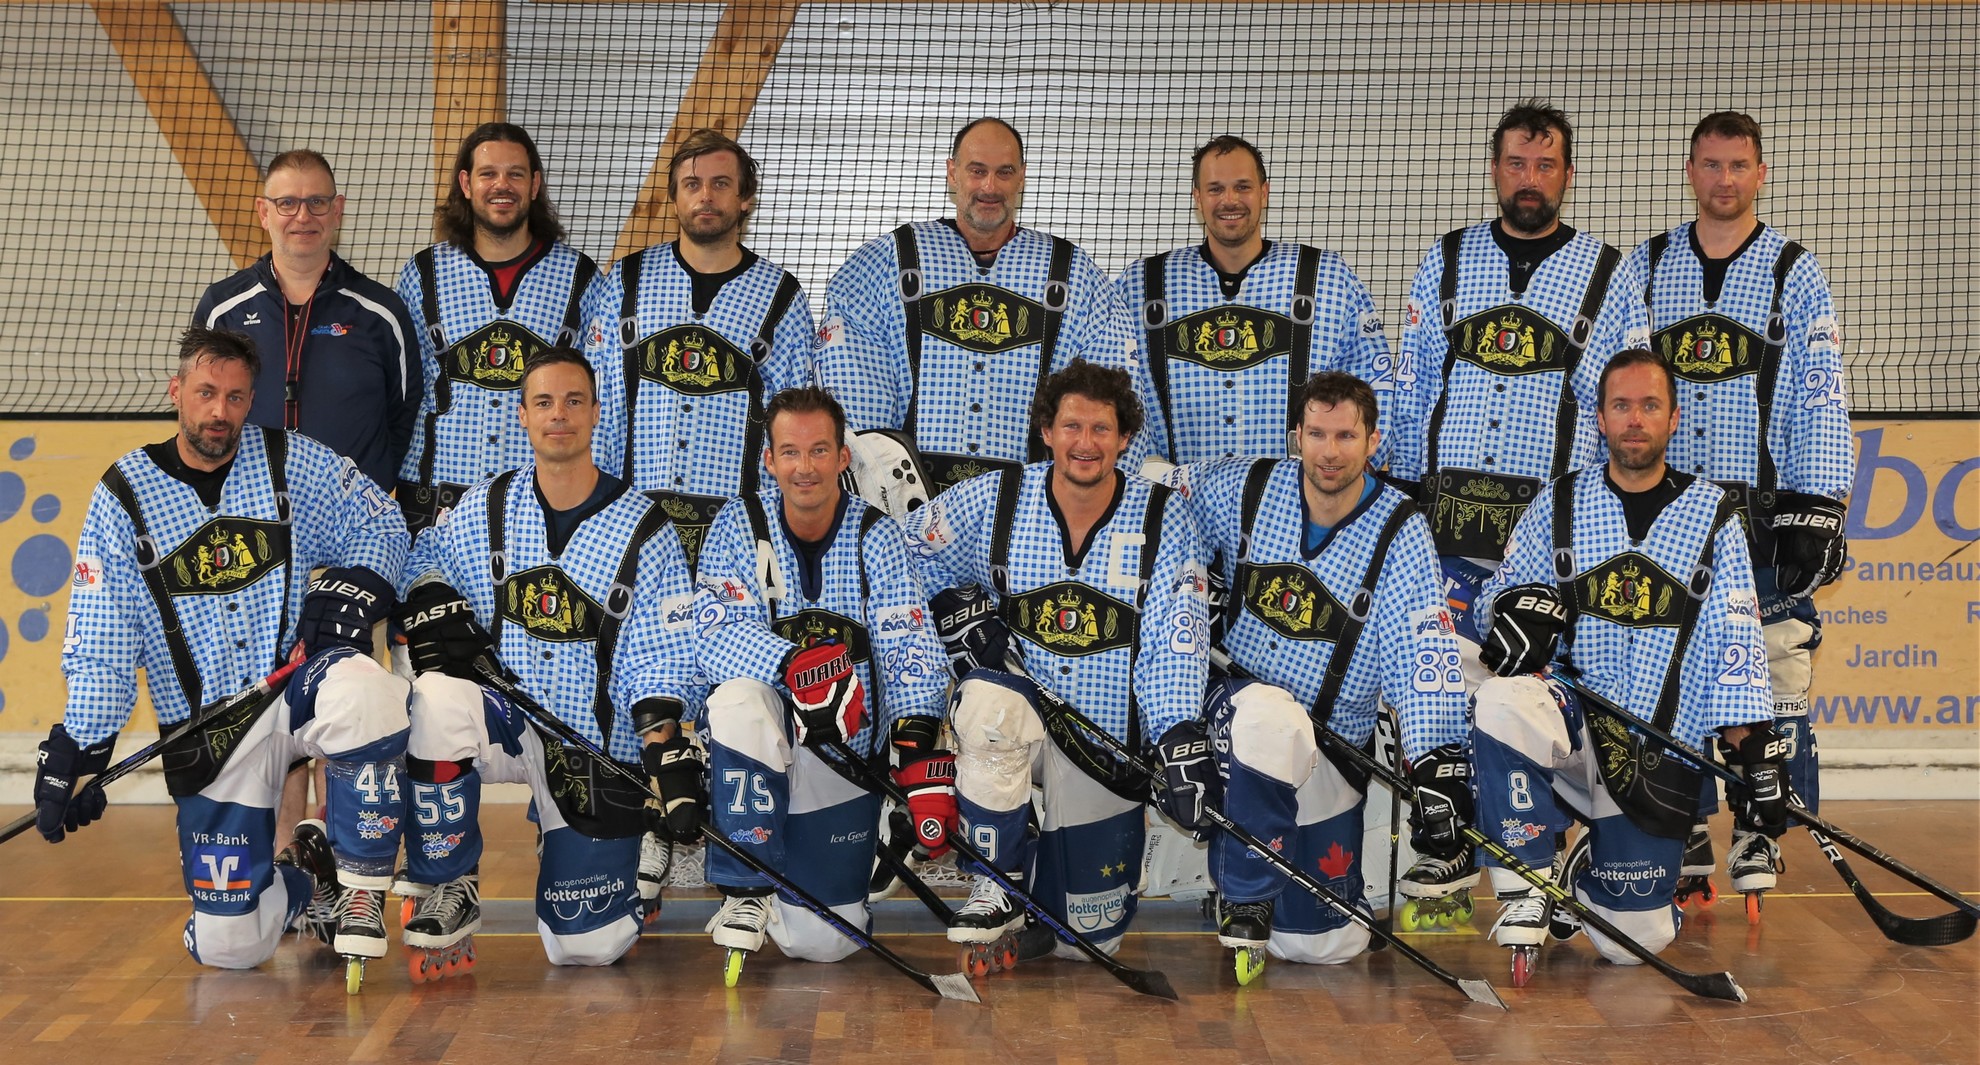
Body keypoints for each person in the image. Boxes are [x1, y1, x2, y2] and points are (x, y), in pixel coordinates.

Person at [36, 326, 410, 976]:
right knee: (231, 947)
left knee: (370, 691)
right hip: (209, 734)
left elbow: (380, 519)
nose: (220, 411)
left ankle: (360, 882)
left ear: (250, 400)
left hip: (295, 689)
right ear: (176, 391)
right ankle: (308, 876)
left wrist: (352, 589)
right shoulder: (124, 495)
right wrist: (82, 751)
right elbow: (103, 631)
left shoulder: (291, 462)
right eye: (206, 392)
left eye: (236, 397)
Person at [1384, 101, 1647, 905]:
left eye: (1545, 165)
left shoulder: (1608, 273)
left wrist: (1601, 524)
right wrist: (1396, 502)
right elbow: (1411, 388)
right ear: (1494, 168)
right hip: (1444, 531)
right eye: (1515, 163)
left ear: (1568, 174)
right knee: (1436, 683)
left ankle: (1555, 839)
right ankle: (1451, 836)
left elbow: (1619, 405)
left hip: (1543, 540)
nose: (1529, 179)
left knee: (1533, 693)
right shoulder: (1446, 260)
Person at [1466, 348, 1778, 975]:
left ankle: (1588, 872)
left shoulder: (1714, 514)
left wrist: (1754, 753)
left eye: (1650, 405)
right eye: (1622, 406)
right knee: (1499, 696)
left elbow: (1736, 638)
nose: (1635, 419)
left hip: (1655, 751)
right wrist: (1510, 611)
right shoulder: (1558, 503)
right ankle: (1527, 882)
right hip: (1571, 728)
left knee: (1631, 944)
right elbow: (1490, 600)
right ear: (1601, 419)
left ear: (1673, 418)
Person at [391, 347, 704, 971]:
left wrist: (663, 748)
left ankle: (597, 836)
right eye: (543, 402)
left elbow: (661, 656)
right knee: (434, 697)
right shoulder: (484, 506)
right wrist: (429, 594)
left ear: (596, 412)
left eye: (572, 401)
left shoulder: (646, 527)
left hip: (593, 744)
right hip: (504, 722)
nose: (558, 414)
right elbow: (423, 554)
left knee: (585, 949)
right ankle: (450, 880)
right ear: (523, 415)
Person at [1160, 372, 1468, 979]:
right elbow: (1149, 489)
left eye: (1346, 436)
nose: (1330, 452)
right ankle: (1243, 893)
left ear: (1373, 441)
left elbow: (1420, 651)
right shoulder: (1246, 485)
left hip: (1333, 742)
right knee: (1268, 718)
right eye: (1318, 434)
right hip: (1236, 714)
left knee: (1321, 947)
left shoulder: (1401, 527)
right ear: (1296, 435)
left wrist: (1436, 762)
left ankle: (1277, 879)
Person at [903, 359, 1207, 958]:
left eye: (1101, 429)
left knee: (1085, 942)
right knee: (987, 703)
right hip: (1025, 722)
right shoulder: (996, 497)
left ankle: (1038, 863)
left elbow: (1175, 639)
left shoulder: (1164, 516)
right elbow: (900, 555)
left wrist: (1174, 735)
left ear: (1125, 438)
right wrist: (950, 615)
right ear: (1047, 431)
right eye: (1071, 426)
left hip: (1106, 745)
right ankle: (997, 879)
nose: (1084, 443)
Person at [1625, 112, 1852, 912]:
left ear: (1762, 172)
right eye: (1711, 164)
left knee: (1776, 663)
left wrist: (1819, 501)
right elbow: (1616, 385)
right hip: (1667, 515)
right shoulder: (1646, 266)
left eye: (1738, 165)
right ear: (1689, 170)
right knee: (1670, 667)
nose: (1724, 179)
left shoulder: (1795, 269)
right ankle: (1681, 821)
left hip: (1760, 515)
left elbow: (1820, 391)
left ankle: (1763, 826)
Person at [689, 386, 952, 974]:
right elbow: (713, 633)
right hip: (765, 750)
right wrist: (793, 666)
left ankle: (812, 869)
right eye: (789, 451)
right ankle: (747, 885)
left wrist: (913, 748)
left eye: (818, 451)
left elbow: (909, 644)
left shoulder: (877, 535)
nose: (804, 467)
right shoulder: (737, 524)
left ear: (842, 457)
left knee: (825, 944)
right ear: (769, 459)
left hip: (844, 758)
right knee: (736, 699)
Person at [819, 118, 1152, 498]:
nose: (990, 187)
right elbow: (851, 395)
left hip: (1034, 513)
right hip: (907, 508)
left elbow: (1113, 403)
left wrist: (1078, 505)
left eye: (1004, 172)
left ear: (1021, 177)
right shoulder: (884, 264)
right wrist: (876, 496)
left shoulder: (1077, 276)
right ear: (952, 173)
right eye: (977, 171)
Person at [583, 129, 814, 569]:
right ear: (674, 198)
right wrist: (596, 506)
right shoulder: (626, 282)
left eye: (721, 183)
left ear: (745, 199)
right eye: (692, 184)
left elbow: (791, 426)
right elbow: (598, 402)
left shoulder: (780, 296)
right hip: (630, 525)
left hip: (734, 534)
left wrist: (773, 526)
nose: (705, 195)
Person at [1114, 136, 1393, 467]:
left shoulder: (1328, 278)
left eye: (1242, 187)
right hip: (1174, 496)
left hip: (1297, 496)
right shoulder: (1141, 286)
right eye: (1215, 189)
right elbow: (1111, 395)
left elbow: (1375, 389)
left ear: (1264, 192)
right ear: (1197, 198)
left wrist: (1351, 475)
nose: (1229, 200)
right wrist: (1140, 473)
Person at [395, 122, 604, 534]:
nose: (502, 185)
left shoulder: (581, 279)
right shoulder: (422, 274)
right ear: (466, 184)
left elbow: (599, 396)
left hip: (538, 501)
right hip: (432, 500)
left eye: (516, 174)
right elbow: (399, 390)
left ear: (534, 185)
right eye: (488, 173)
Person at [194, 150, 420, 493]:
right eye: (287, 203)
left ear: (337, 211)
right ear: (264, 212)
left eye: (317, 202)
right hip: (248, 508)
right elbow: (199, 406)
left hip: (352, 517)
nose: (303, 216)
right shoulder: (222, 308)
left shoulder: (382, 313)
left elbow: (407, 415)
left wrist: (370, 488)